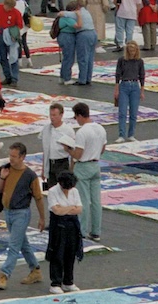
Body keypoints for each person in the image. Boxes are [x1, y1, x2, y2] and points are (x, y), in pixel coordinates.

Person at [0, 142, 45, 290]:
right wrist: (2, 178)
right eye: (10, 155)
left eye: (14, 156)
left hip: (21, 214)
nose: (11, 159)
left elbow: (39, 198)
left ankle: (4, 275)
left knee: (14, 246)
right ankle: (35, 270)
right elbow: (0, 190)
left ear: (22, 157)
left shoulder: (30, 175)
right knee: (23, 244)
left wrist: (42, 218)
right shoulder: (6, 170)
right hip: (8, 212)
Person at [62, 102, 106, 242]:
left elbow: (78, 154)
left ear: (80, 115)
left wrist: (68, 150)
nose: (76, 120)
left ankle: (82, 230)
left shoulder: (82, 132)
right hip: (95, 165)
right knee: (96, 201)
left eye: (76, 117)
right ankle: (96, 231)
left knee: (84, 201)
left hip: (83, 166)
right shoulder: (100, 128)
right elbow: (103, 148)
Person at [45, 170, 84, 294]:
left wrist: (65, 209)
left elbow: (79, 209)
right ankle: (55, 282)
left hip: (72, 224)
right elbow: (56, 210)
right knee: (57, 252)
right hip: (58, 224)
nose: (67, 190)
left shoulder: (74, 191)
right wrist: (70, 208)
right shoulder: (52, 191)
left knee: (70, 252)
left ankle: (68, 281)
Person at [113, 42, 145, 142]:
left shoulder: (139, 61)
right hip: (124, 86)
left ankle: (131, 134)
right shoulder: (122, 60)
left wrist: (142, 91)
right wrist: (116, 89)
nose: (132, 53)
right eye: (130, 51)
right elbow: (118, 75)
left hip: (135, 86)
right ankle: (121, 135)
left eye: (134, 51)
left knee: (133, 113)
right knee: (122, 112)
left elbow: (142, 76)